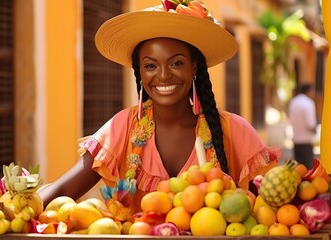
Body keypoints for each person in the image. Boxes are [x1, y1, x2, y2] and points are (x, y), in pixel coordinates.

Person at [38, 0, 279, 213]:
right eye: (151, 66)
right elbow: (63, 189)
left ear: (194, 67)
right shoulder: (123, 127)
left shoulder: (234, 131)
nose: (163, 75)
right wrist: (11, 206)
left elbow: (272, 210)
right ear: (140, 72)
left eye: (176, 63)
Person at [288, 83, 317, 168]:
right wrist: (315, 131)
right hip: (306, 142)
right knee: (308, 170)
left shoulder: (293, 102)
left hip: (296, 141)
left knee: (298, 169)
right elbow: (310, 124)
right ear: (309, 91)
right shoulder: (309, 103)